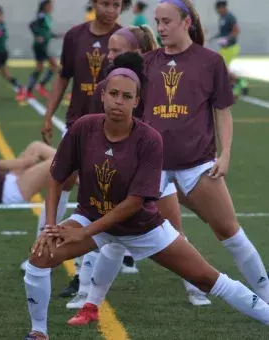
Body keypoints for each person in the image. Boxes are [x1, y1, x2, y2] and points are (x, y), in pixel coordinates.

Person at [23, 54, 269, 340]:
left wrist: (85, 233)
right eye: (113, 93)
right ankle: (38, 332)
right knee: (39, 256)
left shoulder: (149, 139)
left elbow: (135, 202)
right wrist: (50, 226)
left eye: (127, 96)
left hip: (143, 228)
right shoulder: (83, 128)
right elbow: (56, 177)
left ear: (137, 102)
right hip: (91, 218)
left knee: (207, 279)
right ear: (102, 95)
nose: (118, 101)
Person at [140, 0, 269, 305]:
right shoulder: (147, 62)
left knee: (229, 231)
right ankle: (88, 297)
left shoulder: (210, 61)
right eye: (157, 22)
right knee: (116, 234)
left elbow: (222, 111)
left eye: (167, 21)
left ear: (187, 23)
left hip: (197, 164)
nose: (160, 28)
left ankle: (265, 295)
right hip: (152, 167)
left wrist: (224, 155)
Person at [38, 0, 132, 299]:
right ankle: (43, 244)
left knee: (106, 189)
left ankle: (97, 265)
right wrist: (49, 113)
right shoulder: (74, 36)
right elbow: (64, 77)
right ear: (93, 4)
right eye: (105, 3)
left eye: (117, 4)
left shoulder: (125, 37)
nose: (111, 10)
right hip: (78, 122)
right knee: (63, 180)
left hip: (115, 128)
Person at [16, 0, 58, 101]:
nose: (52, 7)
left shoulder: (46, 16)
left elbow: (46, 31)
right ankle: (39, 86)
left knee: (40, 68)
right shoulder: (42, 15)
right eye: (50, 5)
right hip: (40, 46)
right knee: (53, 65)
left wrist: (57, 35)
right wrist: (37, 36)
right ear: (45, 6)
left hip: (43, 46)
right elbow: (32, 25)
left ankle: (31, 90)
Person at [212, 1, 248, 98]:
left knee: (223, 68)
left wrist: (228, 38)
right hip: (224, 48)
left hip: (231, 47)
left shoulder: (230, 17)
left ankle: (239, 84)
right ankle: (239, 84)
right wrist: (213, 38)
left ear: (223, 8)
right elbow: (222, 32)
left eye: (219, 9)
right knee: (221, 68)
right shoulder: (221, 18)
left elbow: (236, 30)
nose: (218, 11)